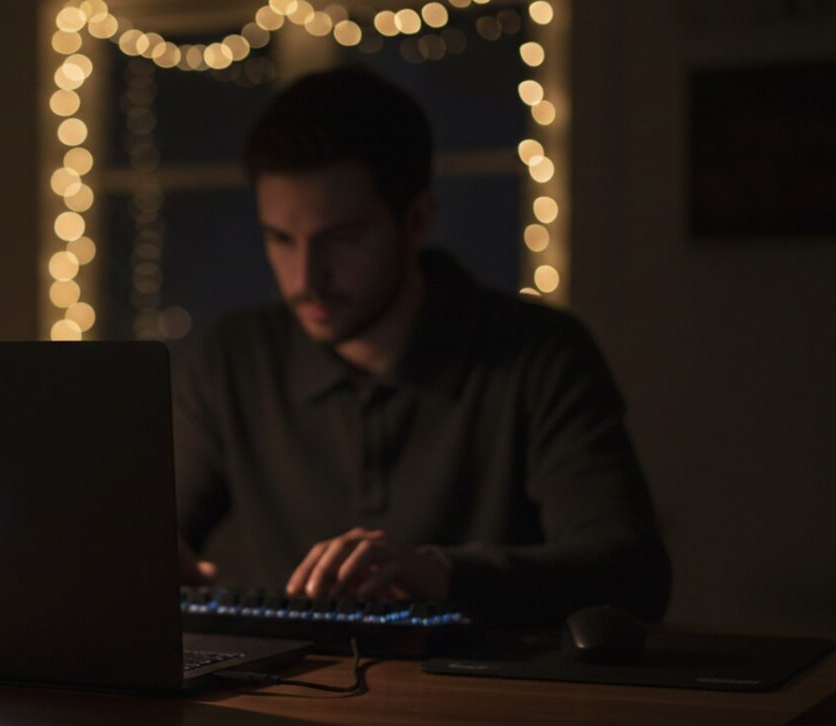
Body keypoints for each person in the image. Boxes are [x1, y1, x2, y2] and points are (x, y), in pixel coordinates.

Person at [173, 65, 671, 625]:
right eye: (280, 239)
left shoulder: (539, 355)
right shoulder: (233, 360)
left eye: (341, 239)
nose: (305, 277)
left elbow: (631, 572)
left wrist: (442, 574)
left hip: (496, 703)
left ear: (417, 220)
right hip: (293, 699)